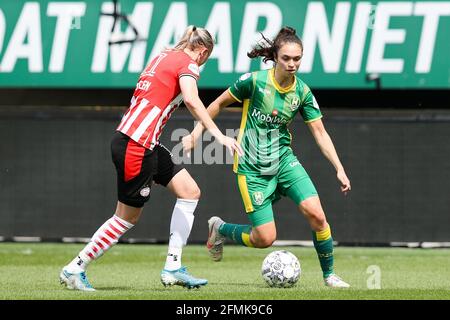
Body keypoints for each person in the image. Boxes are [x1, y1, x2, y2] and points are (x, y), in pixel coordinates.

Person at [59, 25, 242, 291]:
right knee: (126, 218)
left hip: (144, 143)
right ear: (202, 51)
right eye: (206, 58)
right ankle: (75, 268)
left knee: (189, 191)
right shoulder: (189, 65)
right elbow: (191, 100)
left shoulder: (162, 56)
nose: (203, 64)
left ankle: (173, 267)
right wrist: (219, 135)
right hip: (137, 145)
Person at [183, 27, 351, 288]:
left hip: (284, 161)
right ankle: (221, 229)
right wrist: (196, 134)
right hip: (252, 168)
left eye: (297, 58)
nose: (292, 64)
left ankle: (330, 275)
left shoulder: (303, 93)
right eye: (286, 58)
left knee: (317, 215)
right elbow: (216, 104)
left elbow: (320, 133)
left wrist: (339, 168)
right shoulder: (254, 81)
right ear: (275, 56)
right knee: (265, 238)